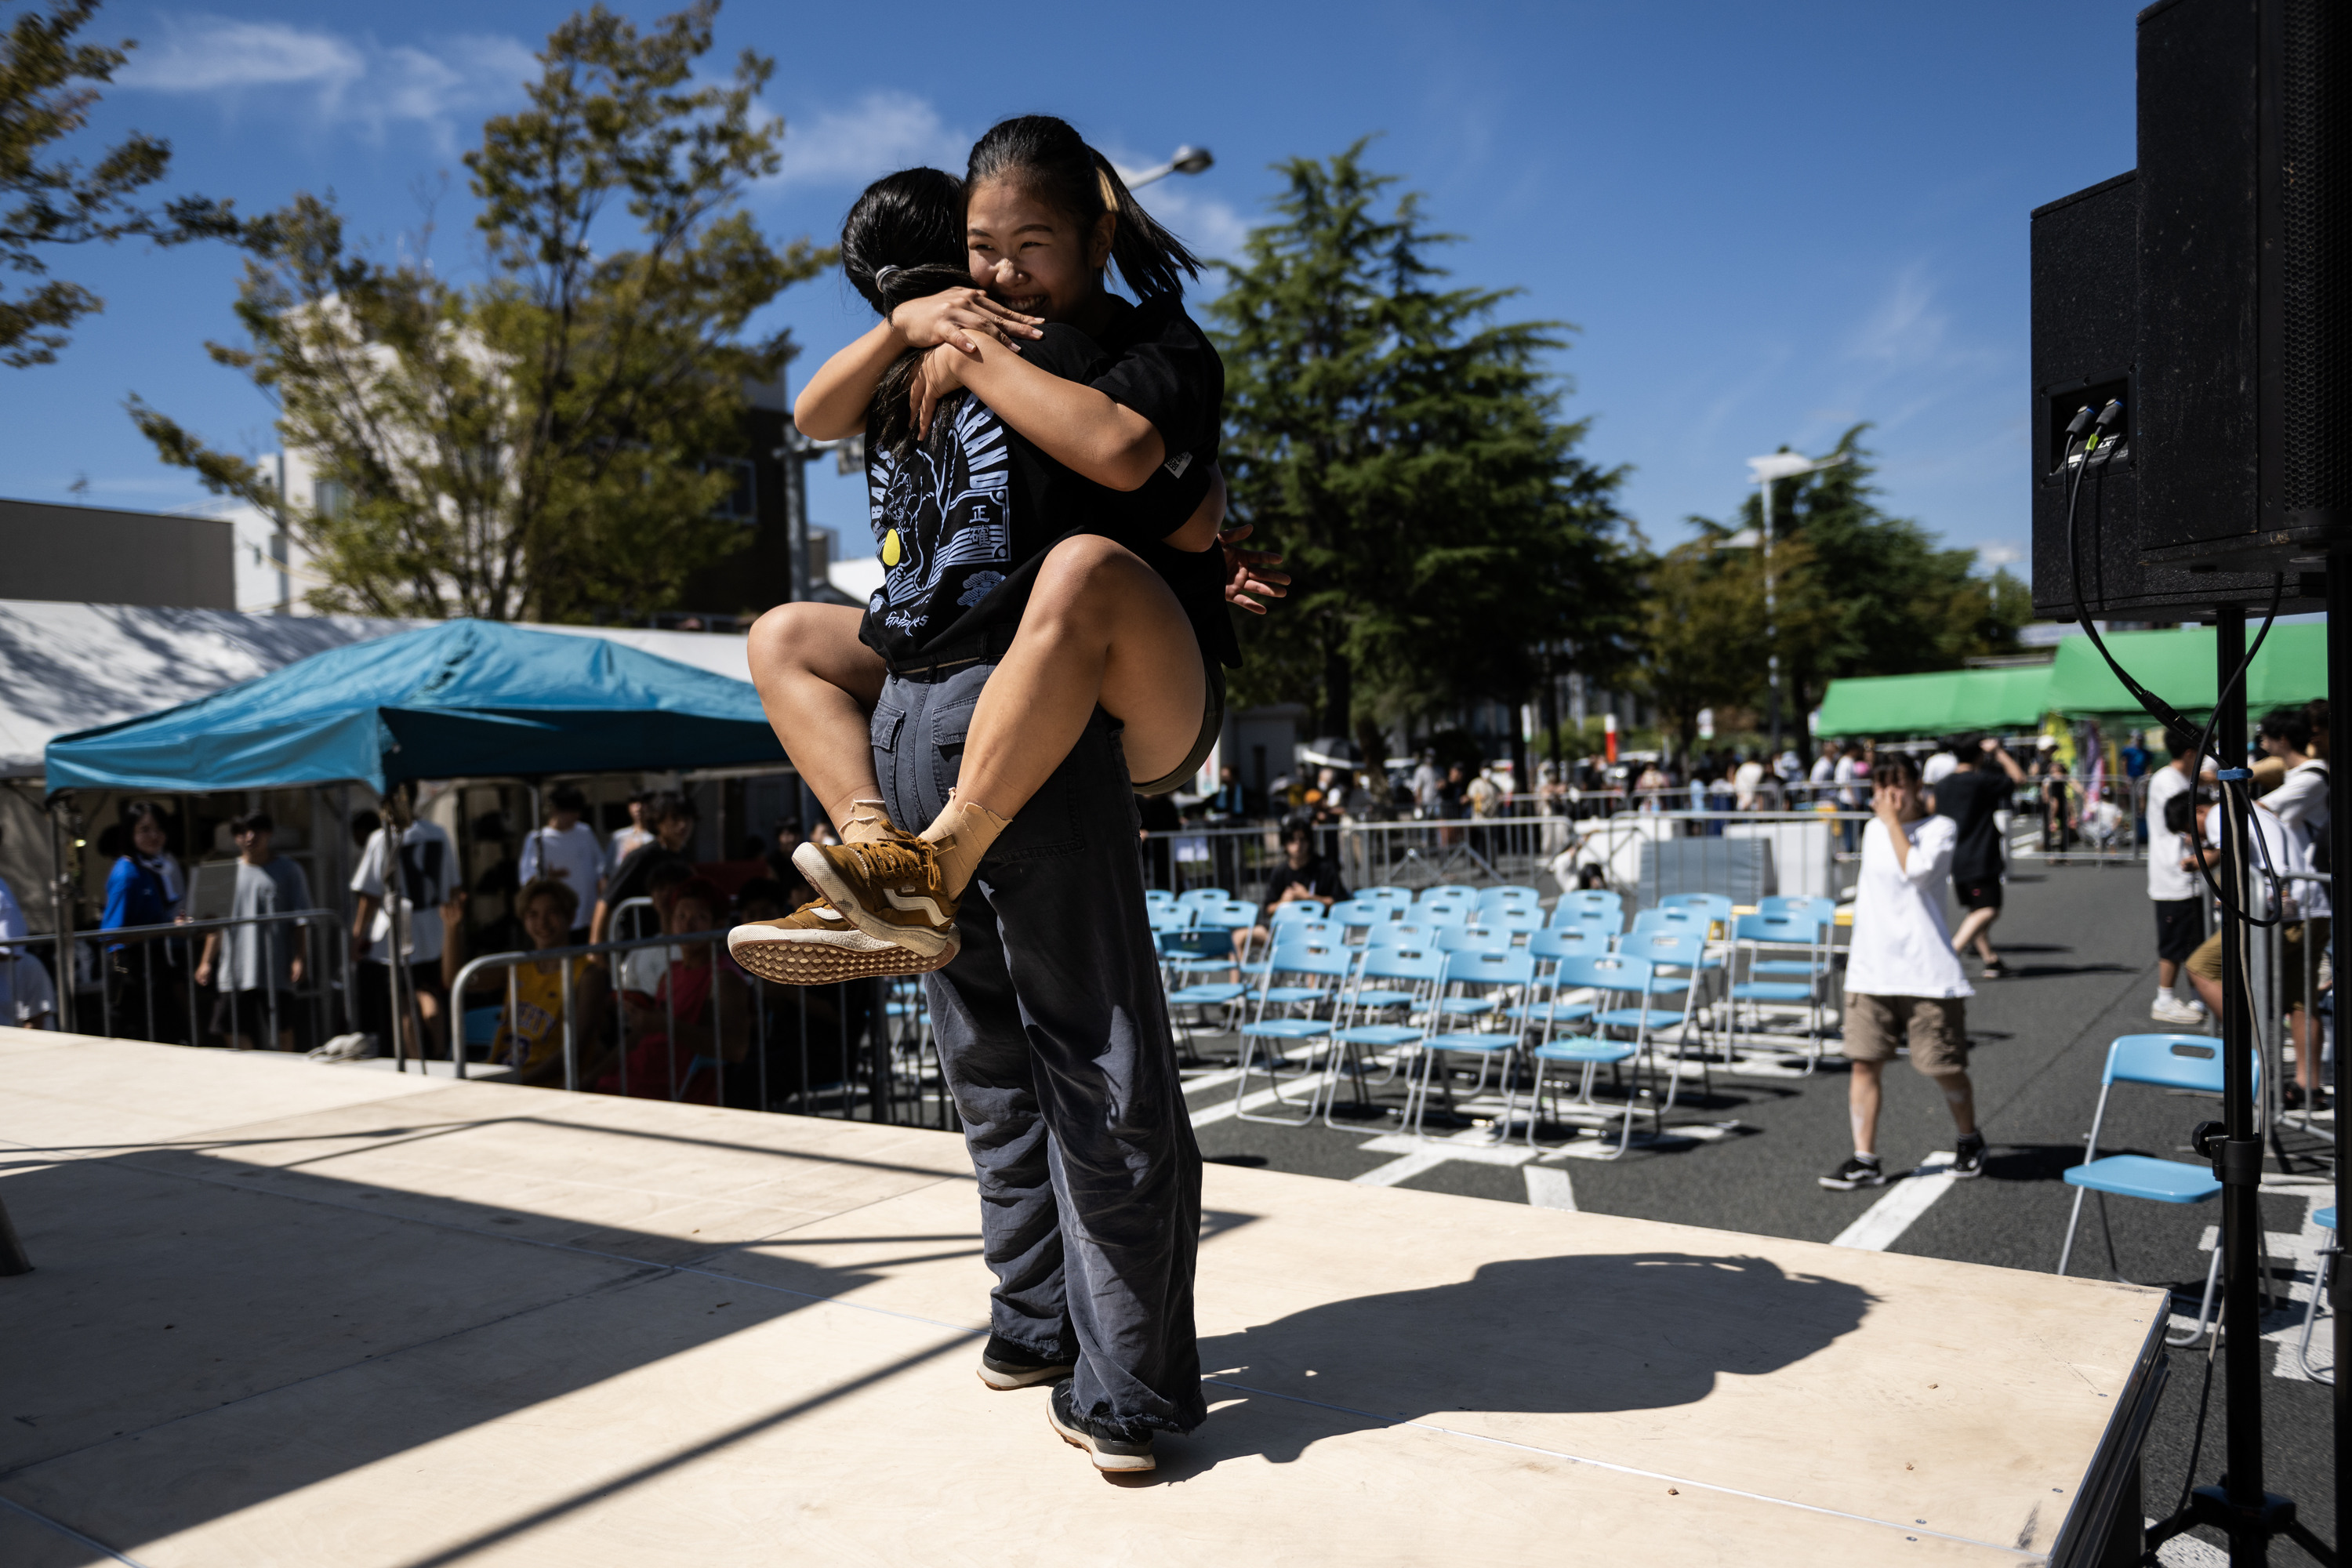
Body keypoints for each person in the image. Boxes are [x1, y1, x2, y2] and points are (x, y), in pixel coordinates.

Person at [732, 127, 1234, 1471]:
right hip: (941, 691)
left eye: (1031, 246)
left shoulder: (1143, 347)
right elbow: (814, 415)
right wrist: (916, 330)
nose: (1002, 269)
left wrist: (975, 354)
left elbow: (1142, 470)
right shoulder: (931, 348)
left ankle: (934, 861)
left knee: (1074, 568)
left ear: (1095, 238)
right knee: (786, 635)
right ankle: (881, 851)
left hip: (1122, 683)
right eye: (980, 250)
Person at [1820, 753, 1985, 1190]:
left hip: (1926, 971)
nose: (1888, 796)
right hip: (1871, 969)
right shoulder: (1874, 830)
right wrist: (1887, 822)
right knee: (1863, 1064)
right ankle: (1865, 1157)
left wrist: (1893, 823)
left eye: (1897, 786)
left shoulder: (1940, 829)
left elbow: (1918, 871)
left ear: (1918, 787)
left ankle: (1969, 1139)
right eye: (1881, 787)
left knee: (1941, 1065)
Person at [593, 877, 753, 1104]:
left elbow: (736, 1048)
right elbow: (644, 1034)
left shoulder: (724, 978)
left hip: (673, 1089)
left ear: (718, 926)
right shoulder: (671, 972)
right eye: (681, 916)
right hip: (642, 1074)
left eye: (699, 918)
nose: (688, 926)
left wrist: (666, 1026)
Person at [448, 878, 605, 1088]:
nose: (543, 922)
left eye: (552, 912)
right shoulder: (517, 965)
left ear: (570, 917)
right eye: (533, 914)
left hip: (546, 1086)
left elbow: (576, 1049)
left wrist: (518, 1083)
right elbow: (455, 980)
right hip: (504, 1077)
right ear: (523, 920)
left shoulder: (588, 975)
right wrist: (451, 926)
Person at [2255, 704, 2331, 1109]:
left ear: (2281, 739)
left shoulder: (2312, 778)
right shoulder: (2301, 776)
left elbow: (2260, 811)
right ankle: (2307, 1085)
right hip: (2300, 901)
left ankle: (2291, 1080)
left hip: (2304, 901)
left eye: (2265, 737)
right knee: (2301, 998)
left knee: (2213, 969)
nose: (2262, 745)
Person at [194, 811, 313, 1051]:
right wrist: (206, 962)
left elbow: (300, 920)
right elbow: (215, 925)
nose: (249, 837)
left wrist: (300, 958)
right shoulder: (224, 872)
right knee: (231, 1028)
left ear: (269, 833)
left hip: (275, 966)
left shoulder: (290, 870)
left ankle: (286, 1076)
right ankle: (252, 1073)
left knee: (282, 1028)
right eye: (241, 832)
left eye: (256, 830)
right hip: (235, 969)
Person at [350, 805, 459, 1060]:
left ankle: (414, 1057)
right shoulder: (438, 833)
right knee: (430, 993)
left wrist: (357, 936)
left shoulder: (383, 838)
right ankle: (442, 1051)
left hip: (398, 932)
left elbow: (370, 895)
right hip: (433, 927)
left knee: (405, 1002)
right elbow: (455, 886)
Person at [1929, 735, 2025, 980]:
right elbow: (2019, 779)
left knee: (1976, 909)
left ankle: (1990, 959)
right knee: (1989, 909)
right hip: (1981, 854)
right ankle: (1949, 953)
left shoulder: (1943, 784)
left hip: (1955, 856)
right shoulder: (1981, 780)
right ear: (1979, 755)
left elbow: (1930, 808)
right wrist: (1999, 752)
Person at [101, 799, 188, 1044]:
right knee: (138, 1039)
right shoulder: (127, 873)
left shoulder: (156, 866)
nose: (154, 836)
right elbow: (111, 934)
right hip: (129, 970)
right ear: (130, 833)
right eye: (144, 829)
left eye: (159, 829)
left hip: (155, 965)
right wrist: (165, 930)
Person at [2143, 729, 2209, 1026]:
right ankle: (2165, 999)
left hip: (2188, 872)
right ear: (2188, 753)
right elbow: (2186, 823)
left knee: (2194, 943)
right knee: (2174, 944)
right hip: (2173, 874)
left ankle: (2198, 996)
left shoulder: (2180, 778)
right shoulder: (2167, 781)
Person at [592, 792, 697, 944]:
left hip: (672, 942)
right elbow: (606, 900)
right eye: (674, 818)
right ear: (658, 821)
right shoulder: (643, 856)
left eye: (687, 819)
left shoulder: (683, 854)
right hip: (639, 944)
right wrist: (596, 948)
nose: (683, 825)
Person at [1238, 824, 1351, 956]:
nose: (1298, 845)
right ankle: (1240, 977)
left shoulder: (1325, 868)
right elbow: (1268, 909)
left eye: (1302, 840)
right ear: (1285, 845)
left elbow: (1340, 902)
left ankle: (1312, 976)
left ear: (1309, 842)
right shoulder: (1280, 872)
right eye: (1292, 841)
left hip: (1316, 927)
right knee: (1239, 937)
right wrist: (1283, 903)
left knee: (1311, 937)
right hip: (1284, 929)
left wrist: (1308, 898)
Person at [517, 785, 604, 945]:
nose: (576, 816)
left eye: (578, 812)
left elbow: (601, 871)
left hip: (587, 919)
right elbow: (527, 881)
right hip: (556, 923)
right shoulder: (537, 839)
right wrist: (548, 877)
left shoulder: (584, 832)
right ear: (556, 810)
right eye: (571, 811)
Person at [605, 789, 655, 879]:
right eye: (634, 802)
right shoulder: (619, 837)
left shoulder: (657, 838)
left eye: (643, 802)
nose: (638, 807)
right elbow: (609, 871)